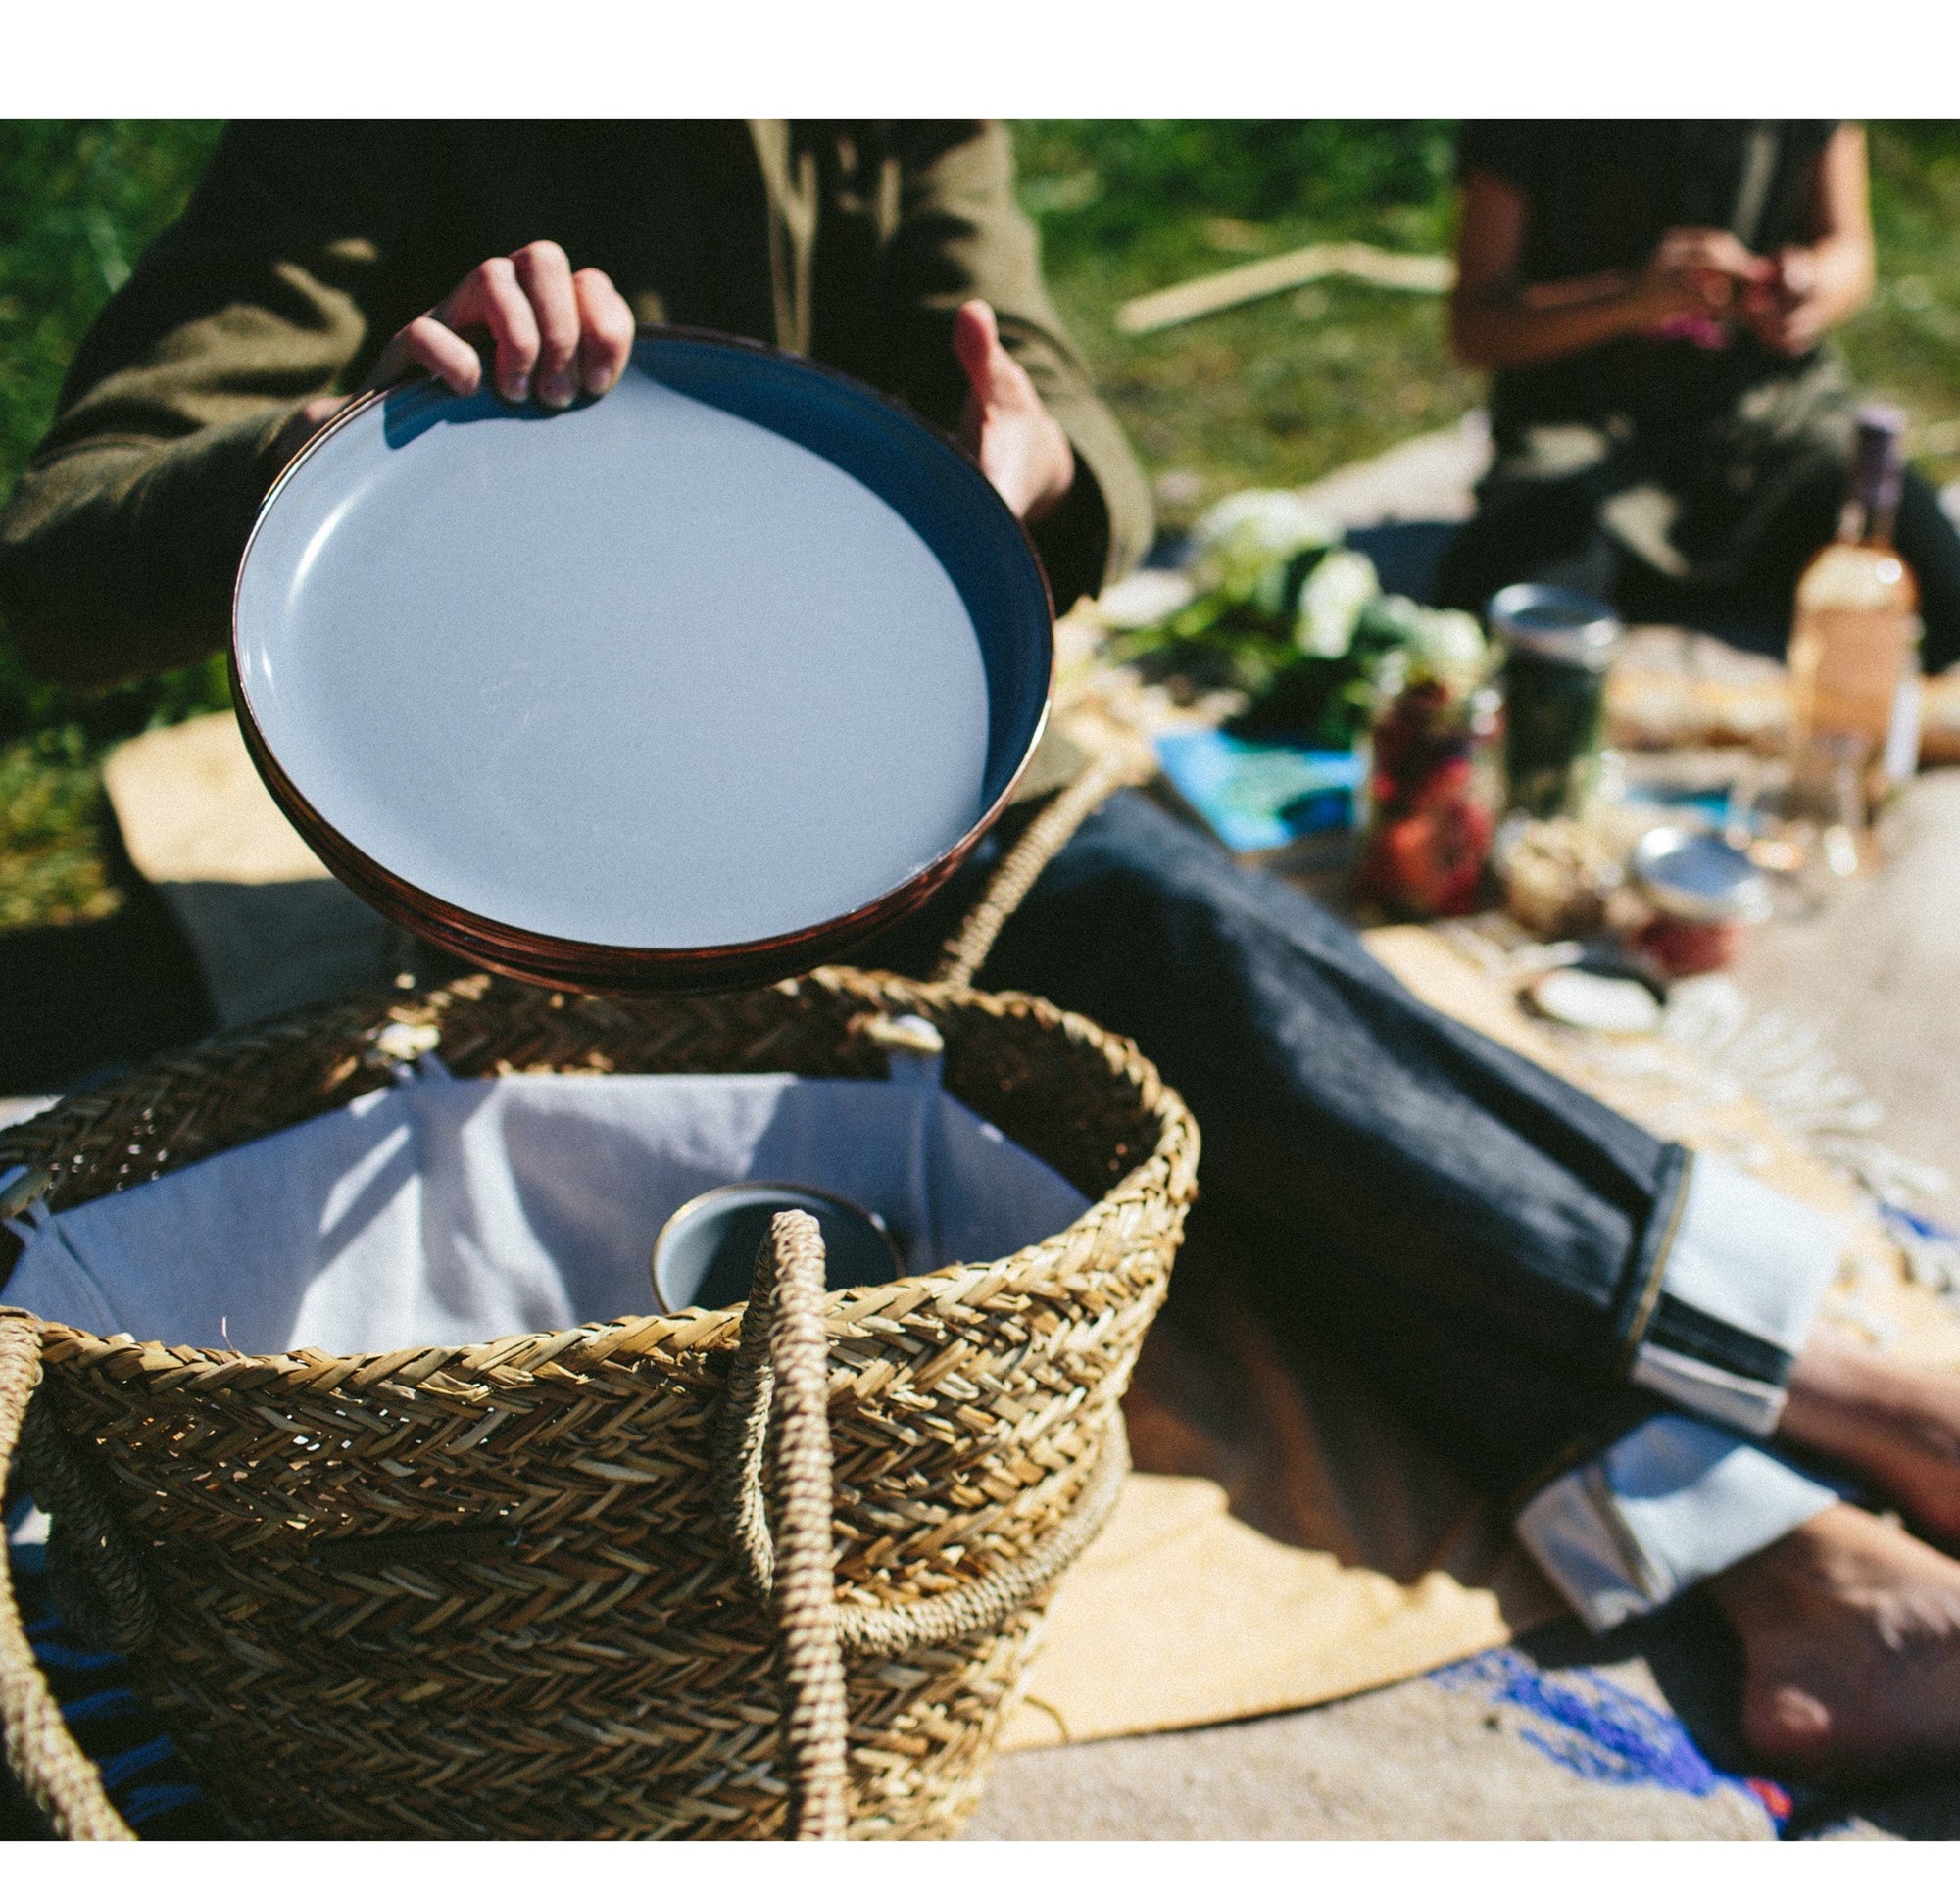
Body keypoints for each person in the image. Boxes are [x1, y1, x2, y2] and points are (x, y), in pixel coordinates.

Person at [4, 119, 1959, 1784]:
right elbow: (66, 549)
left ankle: (1794, 1510)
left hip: (875, 792)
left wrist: (1030, 458)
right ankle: (1826, 1429)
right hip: (538, 868)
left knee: (1221, 1016)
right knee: (1193, 989)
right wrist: (343, 447)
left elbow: (1035, 370)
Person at [1437, 120, 1960, 672]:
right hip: (1582, 433)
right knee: (1531, 638)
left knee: (1938, 570)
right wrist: (1628, 300)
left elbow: (1850, 251)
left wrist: (1810, 288)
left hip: (1770, 420)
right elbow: (1476, 326)